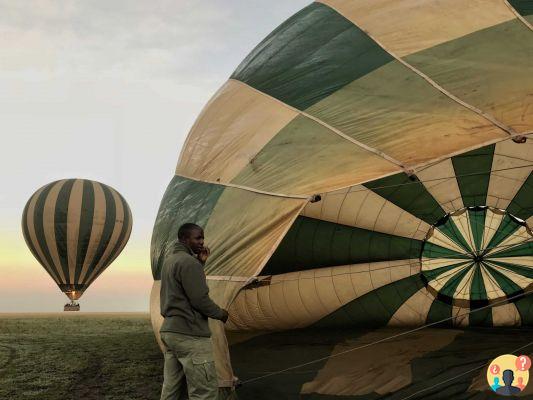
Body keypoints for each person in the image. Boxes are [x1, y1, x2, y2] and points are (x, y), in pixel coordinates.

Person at [159, 223, 229, 400]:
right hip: (190, 335)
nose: (202, 242)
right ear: (184, 239)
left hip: (170, 333)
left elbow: (180, 291)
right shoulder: (189, 263)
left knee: (171, 390)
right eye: (197, 238)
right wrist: (221, 314)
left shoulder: (170, 261)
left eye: (202, 238)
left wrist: (200, 263)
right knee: (204, 392)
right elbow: (200, 299)